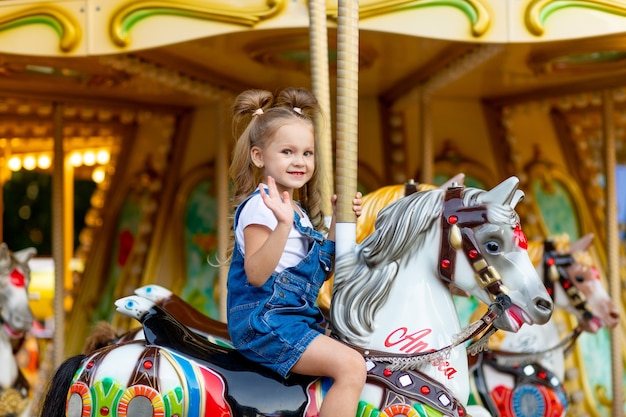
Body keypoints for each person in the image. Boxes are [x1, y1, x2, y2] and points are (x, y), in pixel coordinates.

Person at [227, 87, 366, 417]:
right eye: (287, 151)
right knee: (351, 366)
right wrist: (282, 225)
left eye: (307, 153)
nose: (300, 161)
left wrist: (342, 220)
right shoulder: (261, 208)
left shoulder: (296, 212)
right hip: (264, 322)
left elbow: (322, 269)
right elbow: (257, 274)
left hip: (295, 319)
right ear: (259, 156)